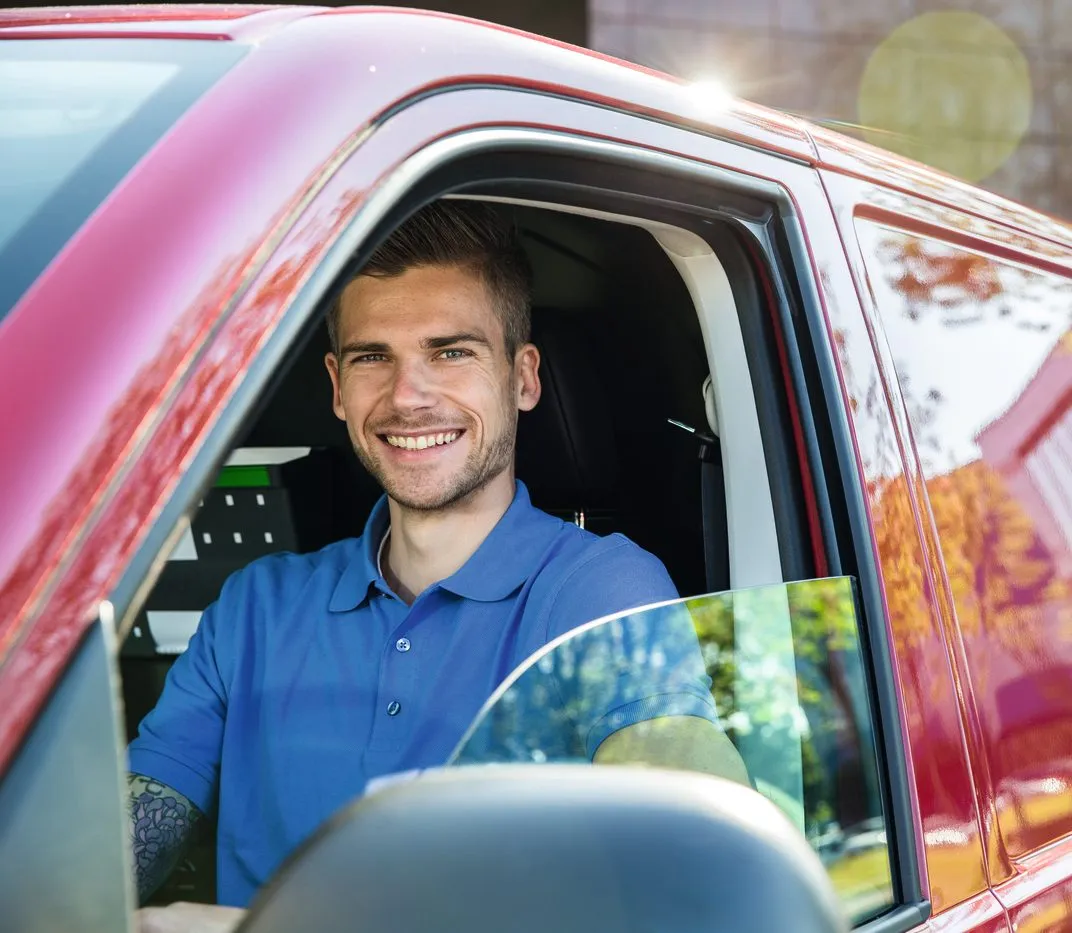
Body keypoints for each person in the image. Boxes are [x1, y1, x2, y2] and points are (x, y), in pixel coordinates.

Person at [129, 201, 747, 933]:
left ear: (522, 378)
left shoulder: (599, 590)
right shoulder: (253, 607)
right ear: (335, 385)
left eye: (451, 351)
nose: (407, 396)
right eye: (372, 356)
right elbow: (129, 831)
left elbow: (702, 861)